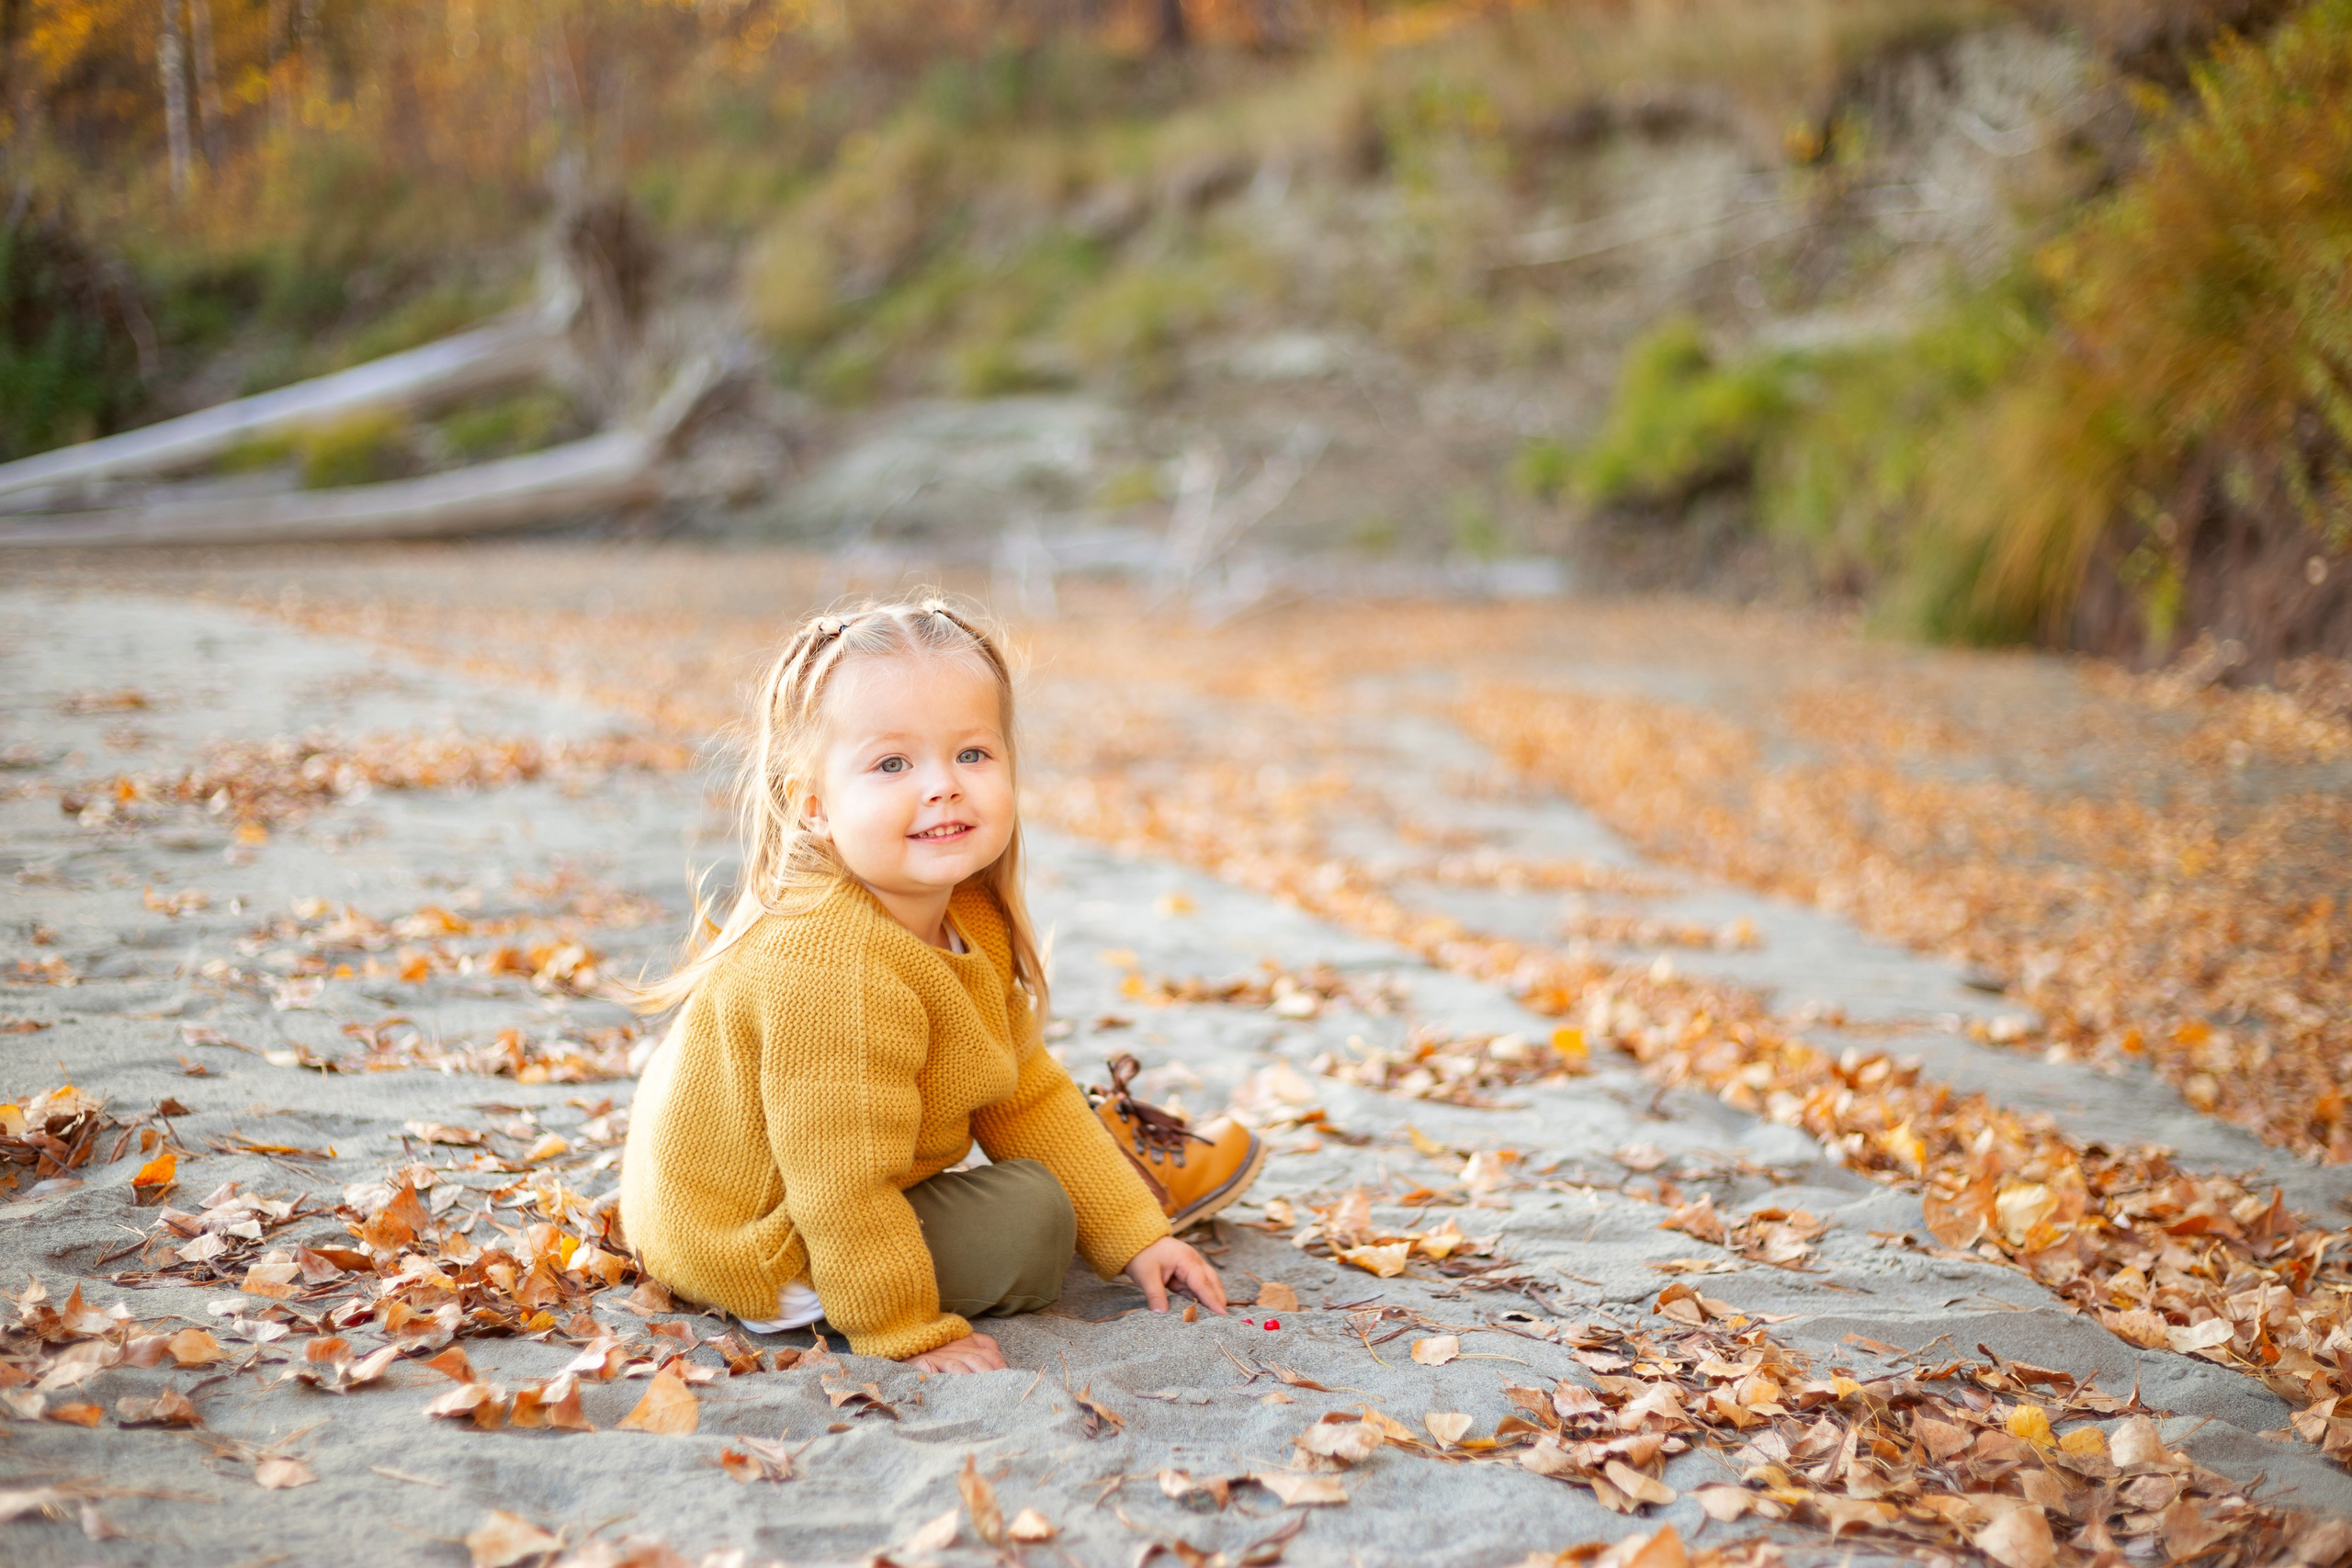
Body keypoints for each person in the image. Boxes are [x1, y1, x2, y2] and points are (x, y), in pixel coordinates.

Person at [619, 597, 1264, 1374]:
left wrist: (1137, 1235)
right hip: (757, 1242)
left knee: (1035, 1157)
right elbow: (843, 1188)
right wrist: (908, 1331)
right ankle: (888, 1283)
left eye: (971, 754)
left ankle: (1122, 1187)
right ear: (815, 806)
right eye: (893, 764)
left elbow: (1023, 1090)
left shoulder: (966, 912)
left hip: (793, 1185)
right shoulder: (833, 968)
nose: (943, 786)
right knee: (1031, 1220)